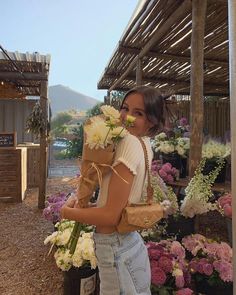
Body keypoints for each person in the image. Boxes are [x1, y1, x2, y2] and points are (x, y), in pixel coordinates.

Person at [61, 85, 166, 295]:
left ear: (151, 121)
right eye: (125, 108)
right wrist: (89, 205)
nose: (126, 117)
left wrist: (67, 212)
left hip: (117, 248)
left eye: (138, 113)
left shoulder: (128, 143)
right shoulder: (145, 144)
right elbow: (117, 203)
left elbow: (110, 216)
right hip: (130, 243)